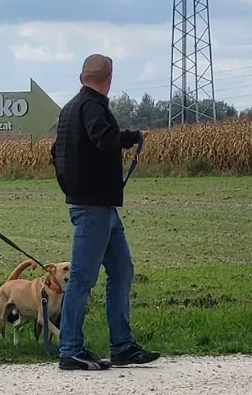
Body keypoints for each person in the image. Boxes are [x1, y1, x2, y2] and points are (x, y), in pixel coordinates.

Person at [50, 54, 160, 370]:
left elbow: (56, 151)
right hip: (93, 206)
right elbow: (105, 138)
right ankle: (70, 349)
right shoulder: (94, 106)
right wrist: (132, 137)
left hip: (99, 206)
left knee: (122, 269)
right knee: (83, 279)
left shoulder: (70, 108)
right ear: (108, 78)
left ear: (81, 76)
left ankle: (122, 346)